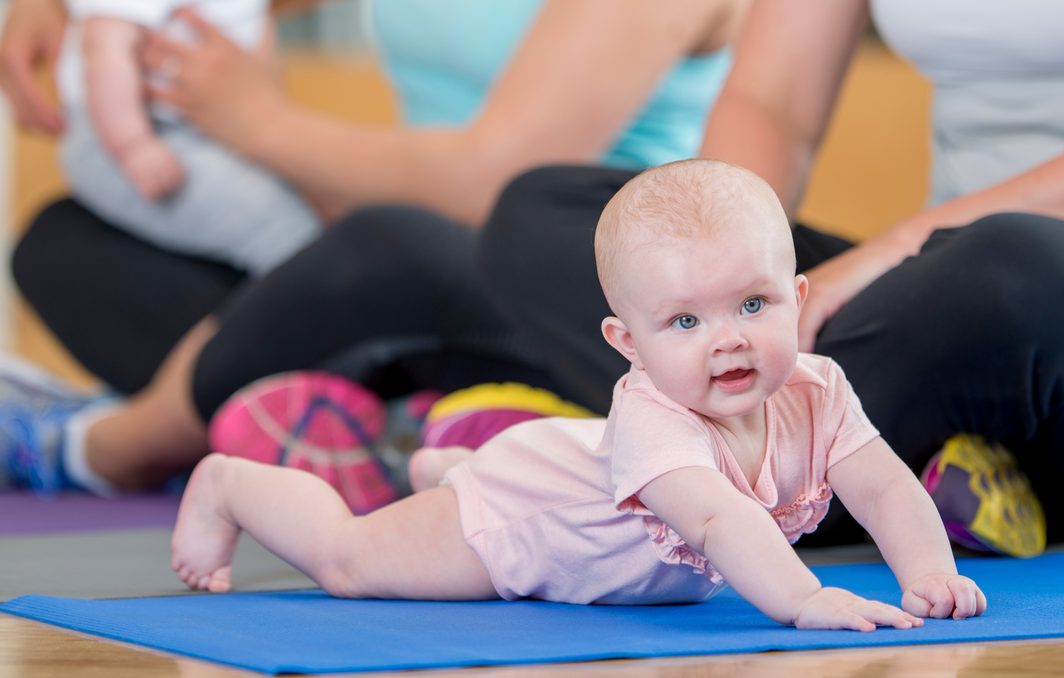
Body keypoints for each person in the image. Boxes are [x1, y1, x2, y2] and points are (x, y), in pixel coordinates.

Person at [170, 161, 986, 628]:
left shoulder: (820, 387)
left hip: (573, 467)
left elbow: (882, 485)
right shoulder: (654, 415)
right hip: (524, 521)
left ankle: (439, 462)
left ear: (798, 299)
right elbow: (720, 519)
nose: (728, 337)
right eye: (684, 321)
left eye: (752, 305)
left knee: (515, 466)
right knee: (352, 563)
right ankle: (231, 485)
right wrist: (805, 601)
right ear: (627, 345)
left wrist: (927, 575)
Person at [0, 0, 742, 497]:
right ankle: (401, 426)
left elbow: (499, 184)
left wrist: (260, 123)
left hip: (588, 304)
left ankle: (103, 446)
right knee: (66, 242)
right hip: (417, 278)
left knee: (386, 243)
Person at [476, 0, 1064, 554]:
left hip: (1035, 284)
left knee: (1011, 268)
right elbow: (771, 100)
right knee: (542, 212)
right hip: (938, 290)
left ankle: (627, 472)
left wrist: (892, 252)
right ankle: (877, 474)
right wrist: (731, 271)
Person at [58, 0, 319, 276]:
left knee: (307, 206)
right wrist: (133, 145)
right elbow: (104, 51)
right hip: (132, 139)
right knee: (279, 225)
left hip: (216, 133)